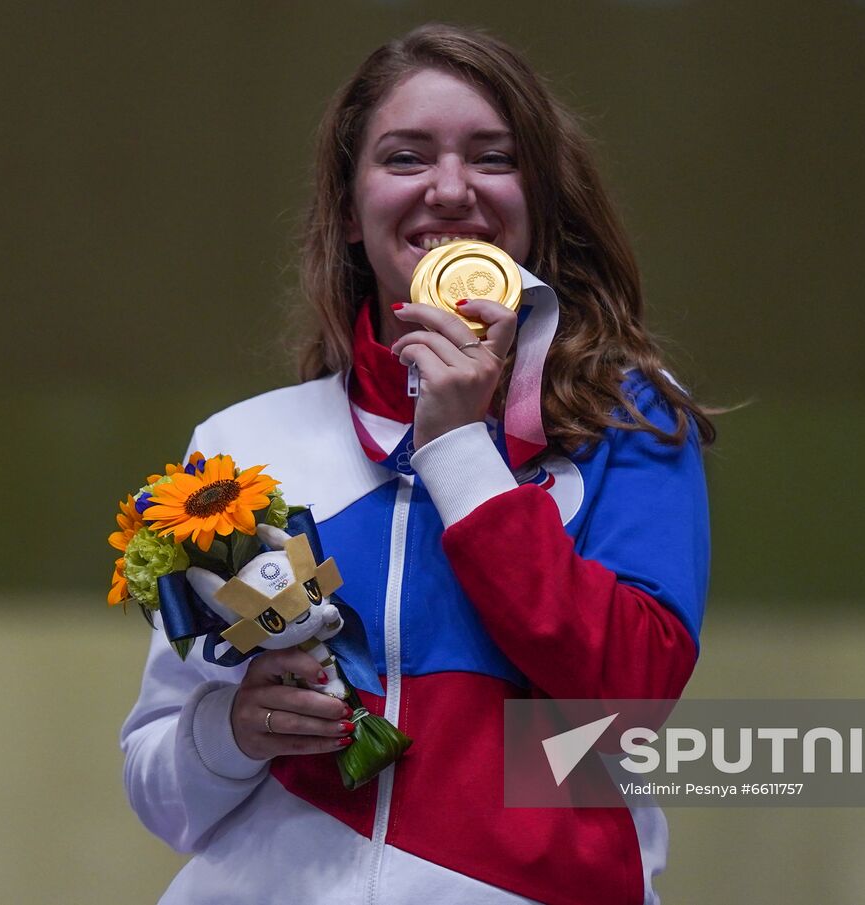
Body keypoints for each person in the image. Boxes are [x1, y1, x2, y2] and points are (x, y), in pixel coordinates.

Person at [121, 23, 713, 905]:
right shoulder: (240, 452)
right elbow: (160, 787)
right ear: (351, 212)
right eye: (405, 158)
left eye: (493, 157)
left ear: (540, 200)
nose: (450, 189)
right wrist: (232, 732)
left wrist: (458, 448)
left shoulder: (629, 418)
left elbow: (634, 699)